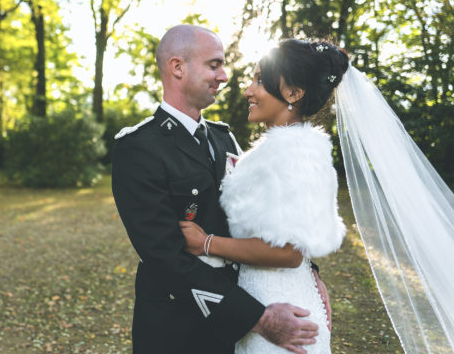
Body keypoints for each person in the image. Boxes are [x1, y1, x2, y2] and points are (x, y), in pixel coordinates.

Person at [180, 38, 454, 353]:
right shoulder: (285, 148)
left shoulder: (293, 152)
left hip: (281, 311)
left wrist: (206, 244)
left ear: (294, 93)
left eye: (260, 81)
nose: (248, 90)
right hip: (270, 298)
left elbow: (288, 252)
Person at [111, 26, 325, 354]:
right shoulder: (139, 147)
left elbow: (263, 217)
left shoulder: (223, 138)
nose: (224, 76)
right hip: (177, 327)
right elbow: (164, 256)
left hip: (236, 324)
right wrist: (258, 318)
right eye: (214, 65)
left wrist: (308, 272)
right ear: (177, 67)